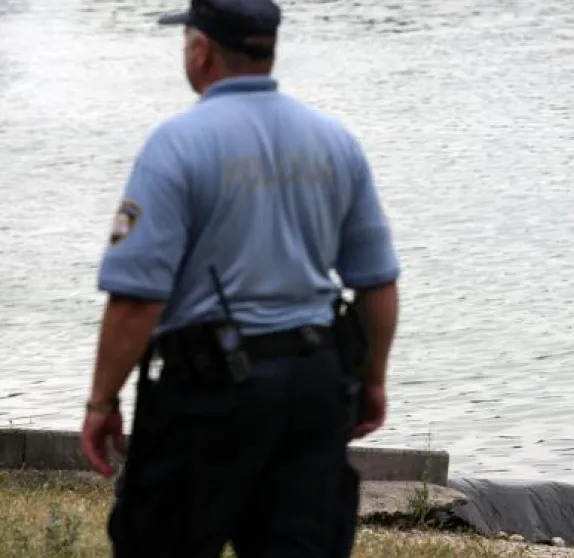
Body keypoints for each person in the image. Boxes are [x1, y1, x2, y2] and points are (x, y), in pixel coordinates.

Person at [78, 0, 401, 556]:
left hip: (210, 392)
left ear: (201, 50)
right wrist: (373, 378)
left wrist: (102, 402)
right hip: (314, 385)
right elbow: (376, 284)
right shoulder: (334, 141)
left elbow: (137, 301)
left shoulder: (176, 145)